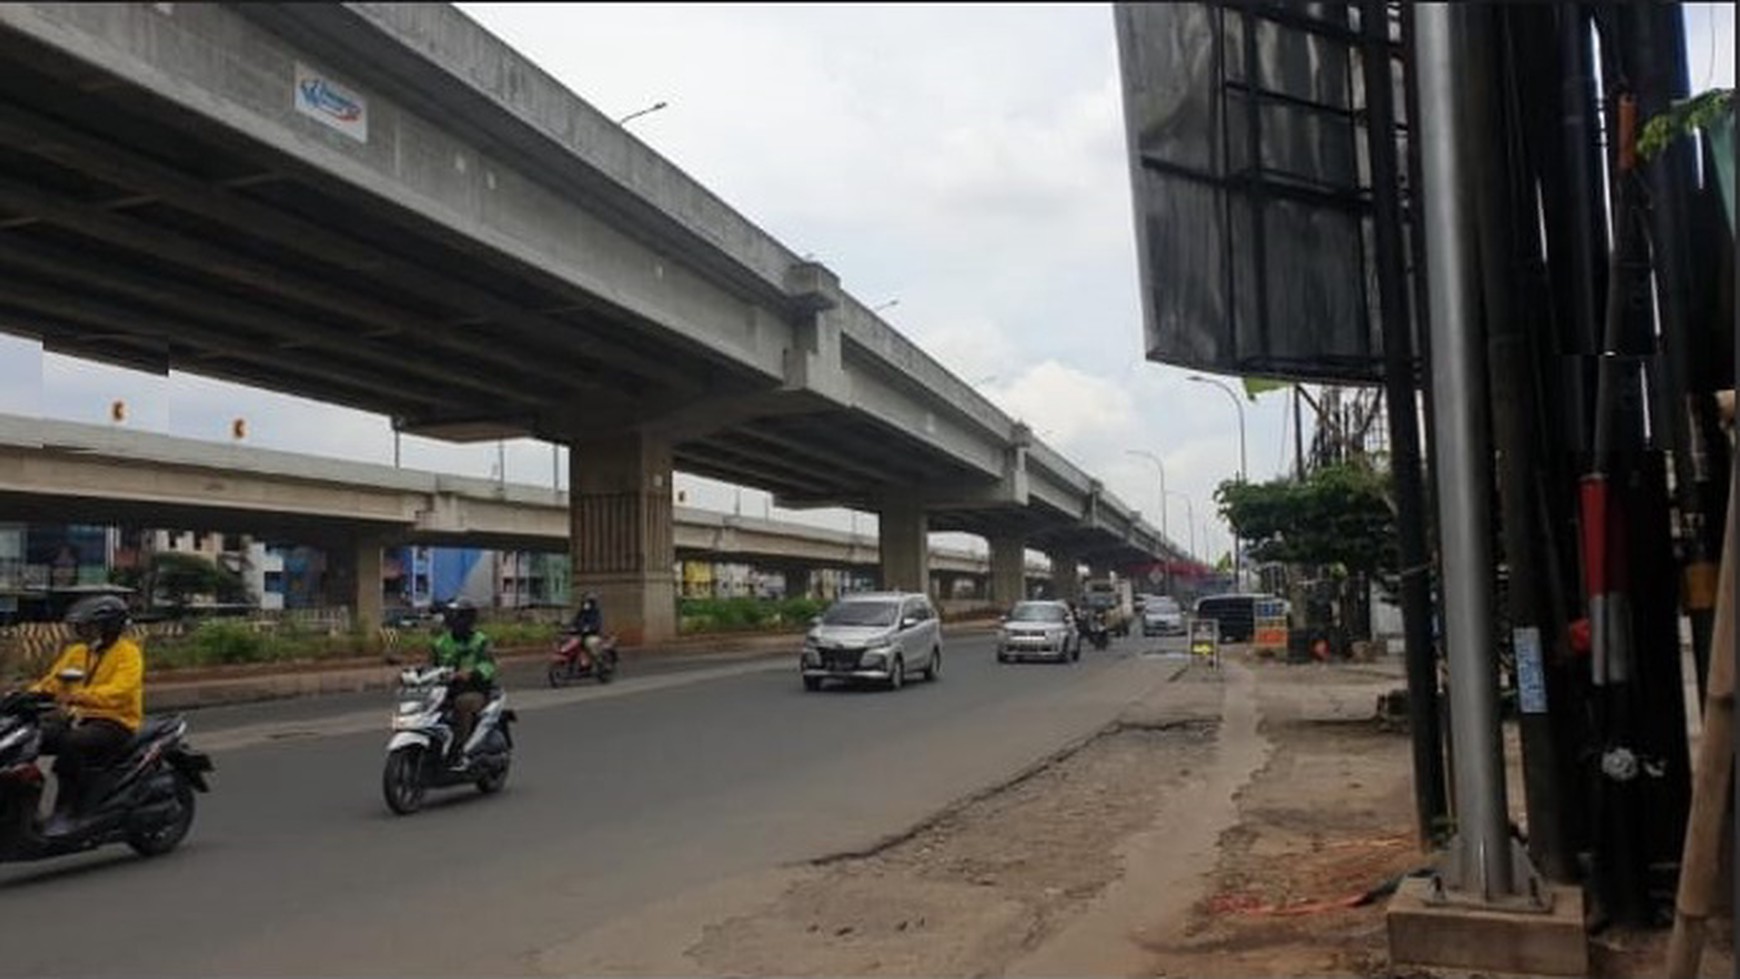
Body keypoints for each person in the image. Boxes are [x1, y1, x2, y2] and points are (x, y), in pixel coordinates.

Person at [29, 594, 143, 834]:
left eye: (89, 626)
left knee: (71, 746)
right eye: (80, 627)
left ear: (110, 627)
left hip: (114, 722)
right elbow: (52, 683)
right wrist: (27, 695)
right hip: (76, 717)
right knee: (29, 738)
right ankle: (25, 809)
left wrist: (79, 697)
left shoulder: (128, 653)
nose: (82, 631)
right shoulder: (77, 652)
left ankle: (70, 812)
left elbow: (121, 690)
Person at [430, 598, 497, 768]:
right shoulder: (441, 642)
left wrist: (472, 673)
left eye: (456, 616)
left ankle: (460, 749)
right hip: (445, 690)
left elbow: (490, 665)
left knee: (462, 703)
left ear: (467, 619)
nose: (452, 620)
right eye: (451, 616)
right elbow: (431, 666)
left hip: (475, 689)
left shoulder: (481, 641)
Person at [569, 592, 604, 667]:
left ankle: (599, 662)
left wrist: (590, 628)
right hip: (581, 634)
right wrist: (571, 626)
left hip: (592, 634)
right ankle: (580, 663)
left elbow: (597, 623)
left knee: (590, 644)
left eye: (587, 602)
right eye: (584, 602)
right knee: (572, 644)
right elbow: (575, 620)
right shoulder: (581, 612)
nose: (585, 604)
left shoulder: (595, 612)